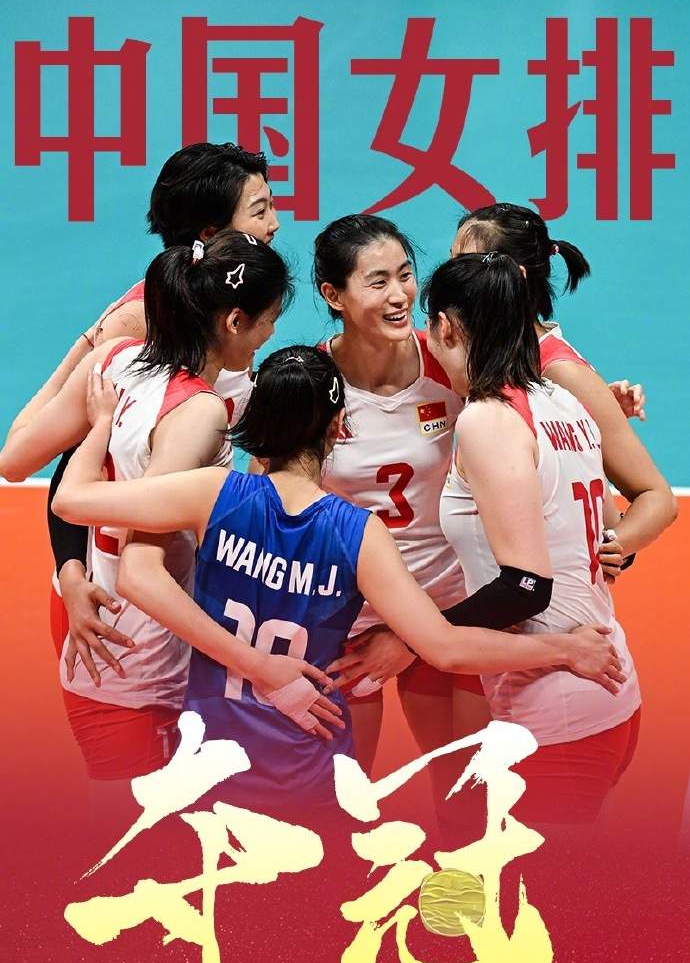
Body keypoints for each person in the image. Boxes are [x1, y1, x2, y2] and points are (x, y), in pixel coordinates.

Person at [51, 345, 624, 815]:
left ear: (255, 423)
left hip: (209, 775)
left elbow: (71, 500)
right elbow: (446, 648)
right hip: (309, 778)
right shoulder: (359, 534)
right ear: (338, 426)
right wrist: (564, 648)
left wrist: (99, 425)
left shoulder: (211, 495)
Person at [0, 234, 341, 785]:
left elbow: (15, 461)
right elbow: (141, 574)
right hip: (144, 669)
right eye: (269, 320)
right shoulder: (198, 413)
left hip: (102, 653)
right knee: (147, 838)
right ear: (234, 321)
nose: (271, 334)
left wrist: (88, 363)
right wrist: (259, 667)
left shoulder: (114, 360)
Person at [8, 141, 279, 684]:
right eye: (259, 210)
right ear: (210, 233)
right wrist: (72, 574)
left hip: (184, 594)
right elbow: (56, 465)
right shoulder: (140, 325)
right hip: (114, 607)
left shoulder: (237, 306)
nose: (273, 223)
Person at [423, 251, 644, 825]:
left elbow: (525, 587)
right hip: (608, 686)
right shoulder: (563, 401)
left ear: (445, 327)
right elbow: (612, 536)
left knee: (543, 884)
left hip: (557, 712)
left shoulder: (487, 418)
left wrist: (418, 634)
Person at [313, 214, 483, 775]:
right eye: (378, 281)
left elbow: (523, 418)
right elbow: (275, 501)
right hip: (344, 620)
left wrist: (596, 402)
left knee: (465, 791)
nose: (399, 295)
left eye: (405, 275)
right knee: (341, 794)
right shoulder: (309, 382)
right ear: (333, 295)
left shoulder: (449, 360)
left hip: (446, 606)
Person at [451, 203, 677, 566]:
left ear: (516, 278)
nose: (451, 277)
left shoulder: (561, 372)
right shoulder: (473, 351)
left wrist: (608, 549)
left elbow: (657, 496)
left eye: (466, 265)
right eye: (452, 262)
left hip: (539, 586)